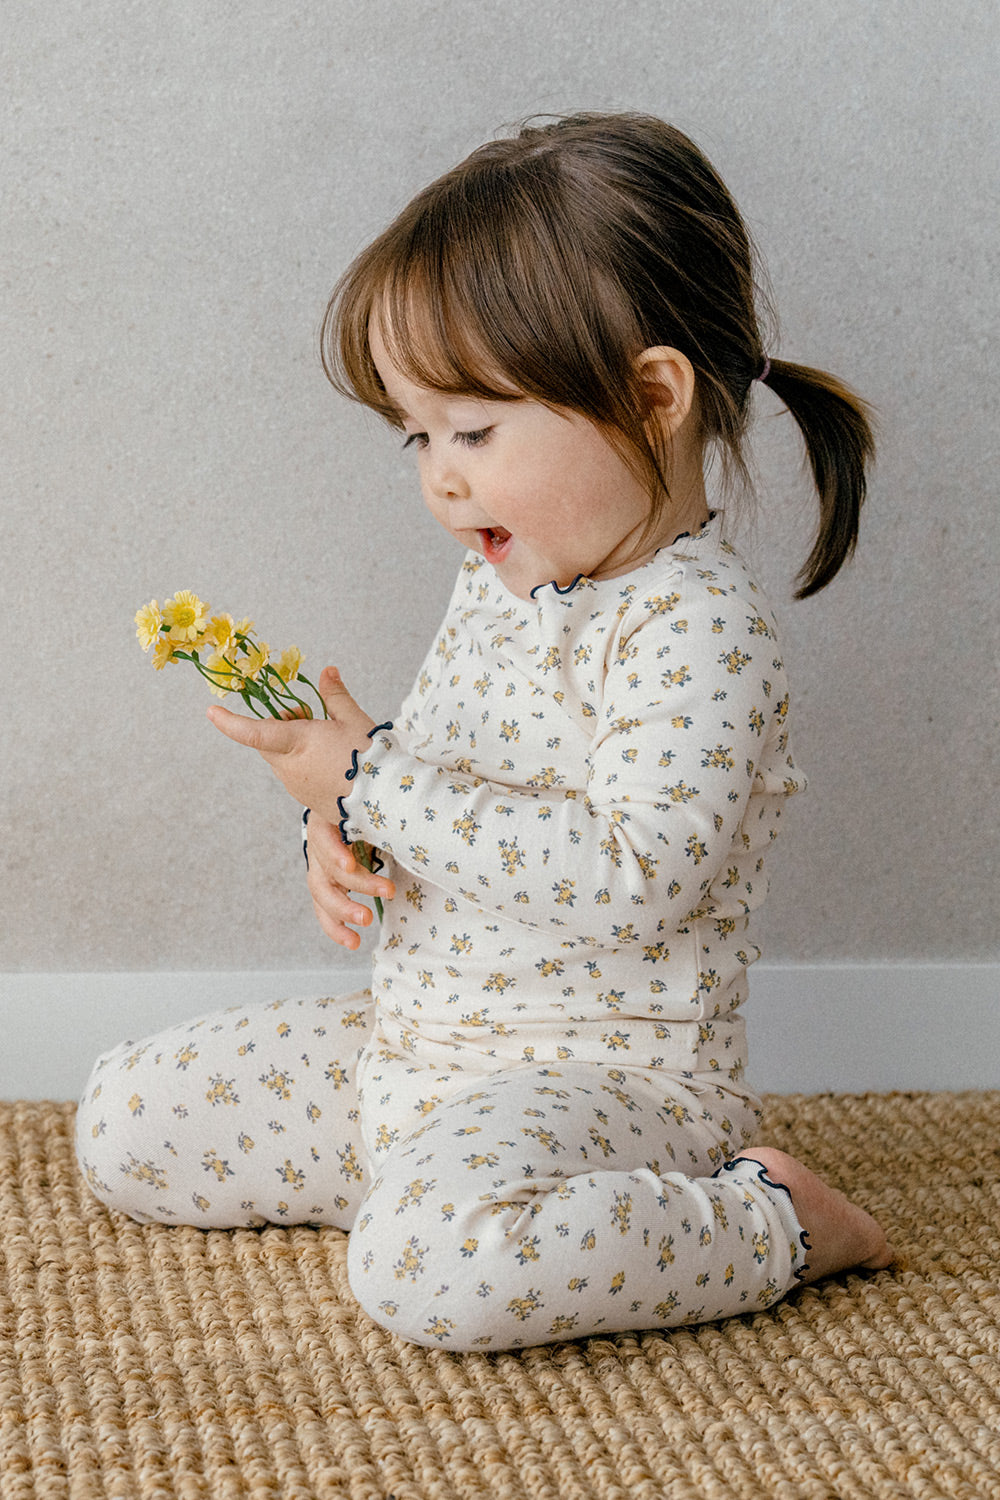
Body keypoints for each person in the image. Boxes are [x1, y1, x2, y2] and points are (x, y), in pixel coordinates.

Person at [77, 112, 892, 1350]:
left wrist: (382, 783)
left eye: (471, 431)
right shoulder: (502, 579)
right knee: (125, 1117)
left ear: (650, 397)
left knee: (426, 1278)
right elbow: (465, 795)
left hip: (608, 1084)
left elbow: (633, 878)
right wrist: (340, 821)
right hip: (419, 1047)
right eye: (415, 436)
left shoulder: (697, 632)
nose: (438, 478)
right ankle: (448, 1174)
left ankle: (771, 1219)